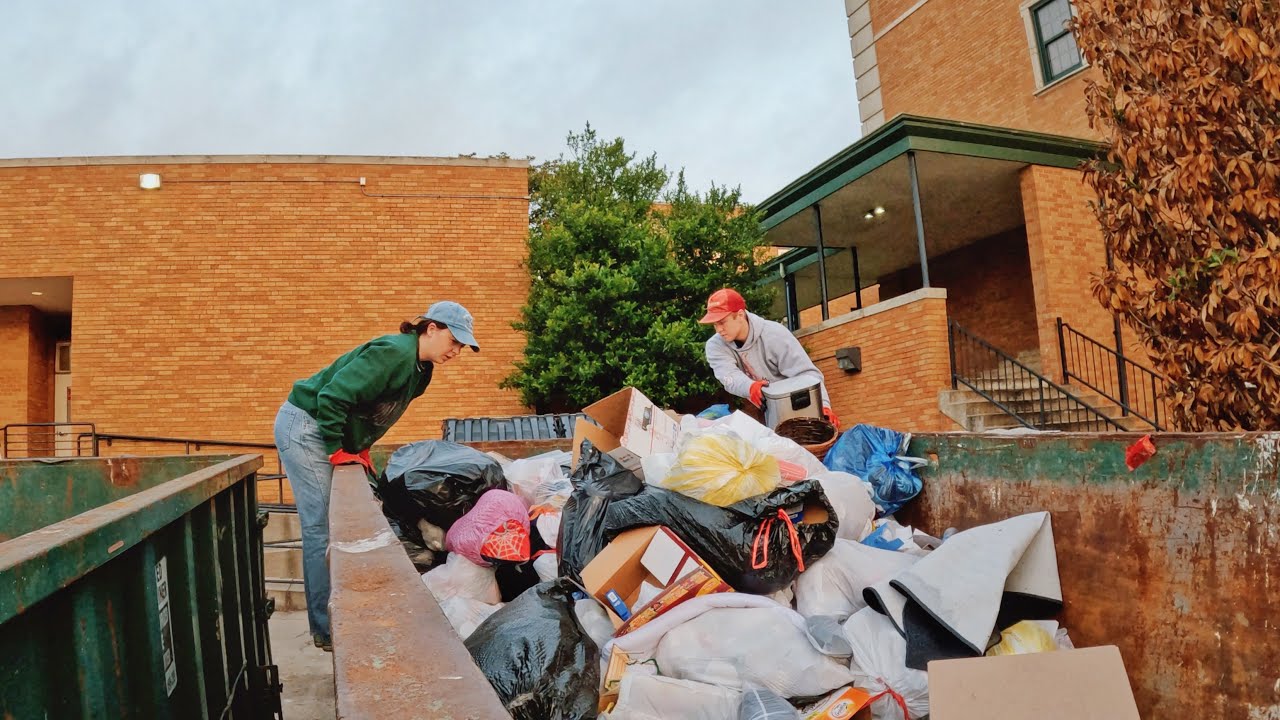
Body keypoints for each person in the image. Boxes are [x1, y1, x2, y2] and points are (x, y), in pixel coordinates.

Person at [273, 301, 478, 650]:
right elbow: (333, 396)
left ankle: (338, 617)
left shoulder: (420, 370)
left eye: (462, 346)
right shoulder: (394, 353)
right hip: (306, 427)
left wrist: (360, 446)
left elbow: (372, 410)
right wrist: (338, 448)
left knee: (336, 525)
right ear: (430, 328)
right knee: (321, 528)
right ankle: (326, 630)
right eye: (453, 340)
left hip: (322, 428)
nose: (456, 351)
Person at [699, 288, 838, 429]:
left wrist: (823, 406)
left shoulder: (775, 334)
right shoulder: (715, 345)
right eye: (715, 324)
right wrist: (750, 387)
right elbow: (729, 376)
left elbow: (807, 375)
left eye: (722, 322)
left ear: (740, 315)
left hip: (797, 403)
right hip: (763, 406)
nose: (718, 330)